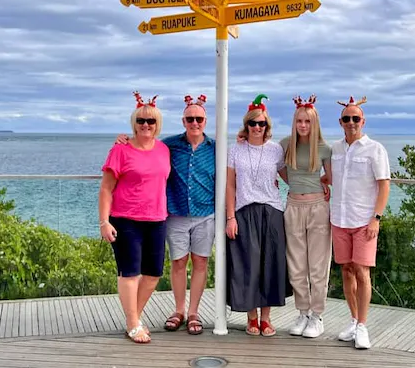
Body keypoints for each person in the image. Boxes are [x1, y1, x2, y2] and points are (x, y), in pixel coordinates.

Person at [115, 95, 216, 336]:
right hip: (176, 213)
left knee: (201, 262)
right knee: (178, 263)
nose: (194, 123)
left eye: (199, 119)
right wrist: (123, 140)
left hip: (206, 213)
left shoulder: (215, 148)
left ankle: (194, 312)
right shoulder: (168, 145)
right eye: (190, 118)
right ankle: (179, 310)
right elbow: (144, 146)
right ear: (183, 121)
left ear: (205, 121)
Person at [98, 92, 170, 344]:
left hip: (157, 219)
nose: (146, 125)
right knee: (129, 274)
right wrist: (104, 221)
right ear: (134, 123)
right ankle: (132, 323)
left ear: (157, 124)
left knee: (153, 274)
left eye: (151, 121)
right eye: (141, 120)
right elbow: (106, 188)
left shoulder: (163, 149)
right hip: (125, 220)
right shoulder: (120, 150)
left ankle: (134, 318)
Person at [225, 94, 291, 337]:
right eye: (252, 123)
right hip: (244, 211)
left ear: (267, 126)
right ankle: (251, 318)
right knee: (247, 265)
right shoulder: (235, 150)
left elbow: (289, 178)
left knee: (270, 264)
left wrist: (317, 185)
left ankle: (266, 318)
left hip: (272, 211)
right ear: (246, 125)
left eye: (261, 123)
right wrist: (230, 217)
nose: (256, 127)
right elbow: (230, 185)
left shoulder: (275, 150)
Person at [329, 96, 390, 350]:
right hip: (339, 219)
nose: (351, 122)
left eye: (356, 118)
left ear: (363, 121)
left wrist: (376, 218)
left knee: (363, 272)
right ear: (340, 122)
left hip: (364, 221)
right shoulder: (335, 149)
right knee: (346, 270)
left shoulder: (375, 149)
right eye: (347, 118)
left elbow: (384, 184)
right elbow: (330, 176)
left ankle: (363, 326)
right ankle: (353, 320)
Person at [279, 95, 333, 339]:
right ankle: (302, 312)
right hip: (292, 206)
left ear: (314, 123)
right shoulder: (285, 144)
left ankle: (317, 315)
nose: (303, 125)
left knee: (318, 266)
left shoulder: (323, 148)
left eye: (307, 121)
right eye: (299, 121)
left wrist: (321, 186)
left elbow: (329, 177)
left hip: (317, 208)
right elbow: (278, 166)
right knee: (297, 265)